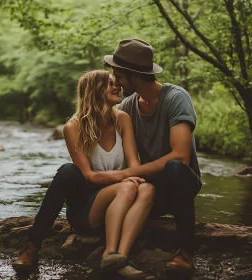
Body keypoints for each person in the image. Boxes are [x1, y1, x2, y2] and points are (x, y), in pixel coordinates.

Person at [13, 70, 154, 279]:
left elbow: (134, 165)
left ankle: (118, 257)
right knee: (68, 170)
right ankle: (32, 246)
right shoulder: (74, 126)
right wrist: (126, 177)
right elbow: (90, 176)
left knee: (148, 188)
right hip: (88, 208)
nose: (118, 87)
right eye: (111, 84)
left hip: (122, 198)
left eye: (118, 83)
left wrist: (130, 176)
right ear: (94, 91)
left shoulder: (122, 119)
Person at [102, 38, 202, 274]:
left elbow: (180, 157)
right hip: (147, 188)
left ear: (135, 77)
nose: (115, 82)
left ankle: (186, 251)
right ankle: (115, 252)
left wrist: (128, 172)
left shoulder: (176, 98)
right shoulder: (127, 106)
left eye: (119, 76)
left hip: (179, 184)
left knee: (174, 167)